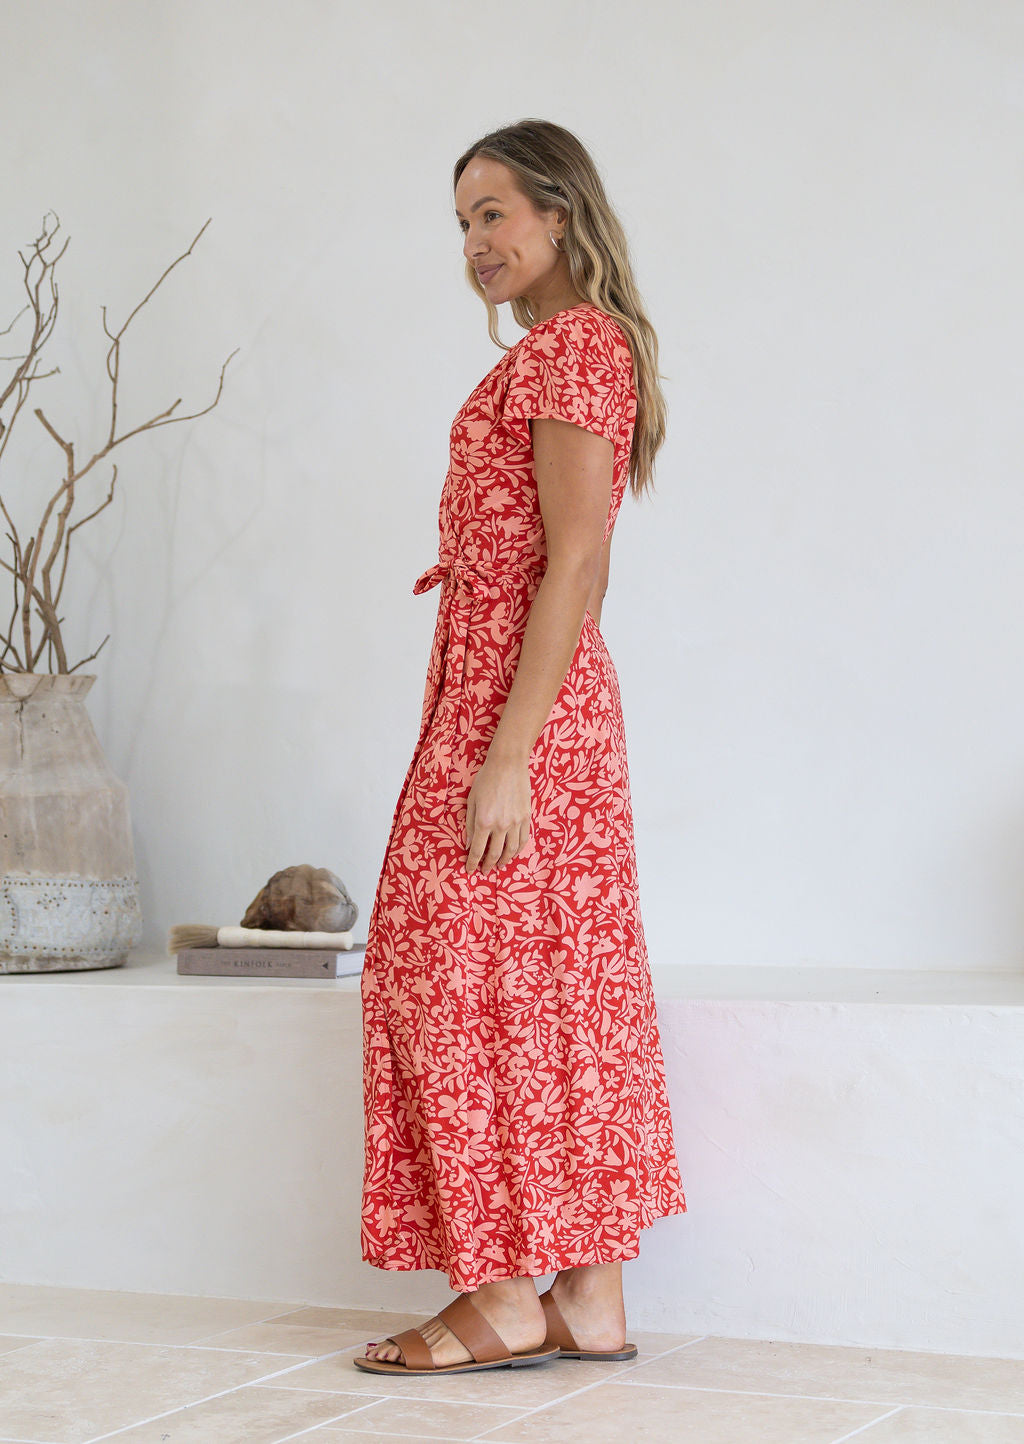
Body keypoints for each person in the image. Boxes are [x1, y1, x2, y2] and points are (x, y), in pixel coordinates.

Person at [354, 118, 687, 1378]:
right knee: (551, 978)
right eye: (461, 224)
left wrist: (507, 756)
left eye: (492, 213)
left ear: (559, 212)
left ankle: (500, 1298)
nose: (475, 243)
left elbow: (578, 560)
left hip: (521, 714)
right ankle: (589, 1295)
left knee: (442, 968)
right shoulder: (568, 349)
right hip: (521, 703)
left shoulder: (574, 347)